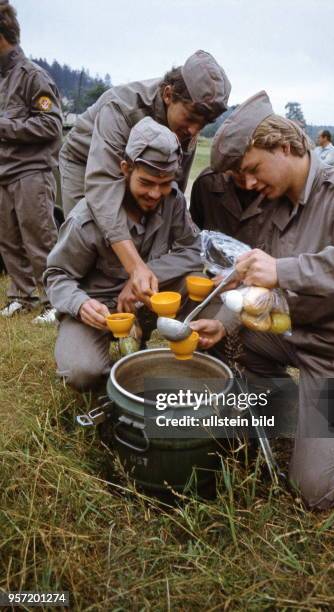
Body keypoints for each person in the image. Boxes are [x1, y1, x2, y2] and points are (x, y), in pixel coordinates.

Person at [190, 91, 334, 510]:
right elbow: (261, 291)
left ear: (285, 146)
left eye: (251, 170)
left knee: (315, 488)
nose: (247, 184)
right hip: (293, 334)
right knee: (228, 346)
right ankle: (302, 413)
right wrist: (225, 324)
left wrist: (285, 271)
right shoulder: (273, 201)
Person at [59, 50, 230, 306]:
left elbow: (172, 191)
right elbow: (103, 188)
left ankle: (134, 303)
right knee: (90, 231)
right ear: (168, 94)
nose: (194, 130)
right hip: (85, 162)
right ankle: (77, 303)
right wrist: (135, 266)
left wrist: (148, 267)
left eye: (203, 124)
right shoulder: (121, 107)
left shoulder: (187, 133)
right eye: (191, 118)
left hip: (136, 171)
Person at [44, 118, 202, 392]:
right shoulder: (86, 219)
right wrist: (81, 305)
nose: (156, 193)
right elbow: (56, 276)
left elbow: (194, 250)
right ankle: (113, 380)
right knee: (82, 372)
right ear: (126, 168)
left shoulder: (172, 201)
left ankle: (201, 359)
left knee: (198, 281)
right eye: (147, 182)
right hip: (98, 307)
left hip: (147, 298)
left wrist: (143, 272)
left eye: (165, 183)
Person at [0, 1, 62, 323]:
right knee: (8, 240)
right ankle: (21, 297)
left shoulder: (32, 76)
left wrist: (4, 126)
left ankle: (55, 300)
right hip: (4, 174)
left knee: (40, 239)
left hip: (31, 172)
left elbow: (51, 124)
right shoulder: (2, 77)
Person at [190, 167, 266, 247]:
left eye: (253, 170)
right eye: (239, 169)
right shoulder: (207, 182)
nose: (247, 180)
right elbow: (193, 235)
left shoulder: (277, 191)